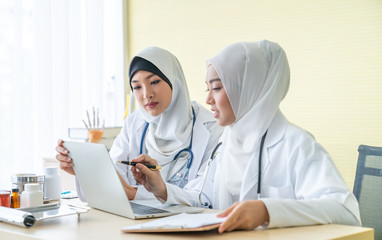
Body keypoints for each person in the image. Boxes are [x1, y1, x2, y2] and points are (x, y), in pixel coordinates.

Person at [129, 40, 361, 232]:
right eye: (207, 89)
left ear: (248, 90)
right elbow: (203, 199)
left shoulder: (297, 144)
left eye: (217, 88)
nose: (208, 99)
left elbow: (345, 211)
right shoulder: (226, 143)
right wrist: (160, 188)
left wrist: (267, 211)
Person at [56, 46, 223, 201]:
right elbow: (114, 179)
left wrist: (133, 193)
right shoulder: (135, 124)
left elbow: (203, 199)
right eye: (137, 87)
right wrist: (85, 171)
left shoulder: (212, 128)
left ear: (174, 80)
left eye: (155, 82)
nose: (147, 94)